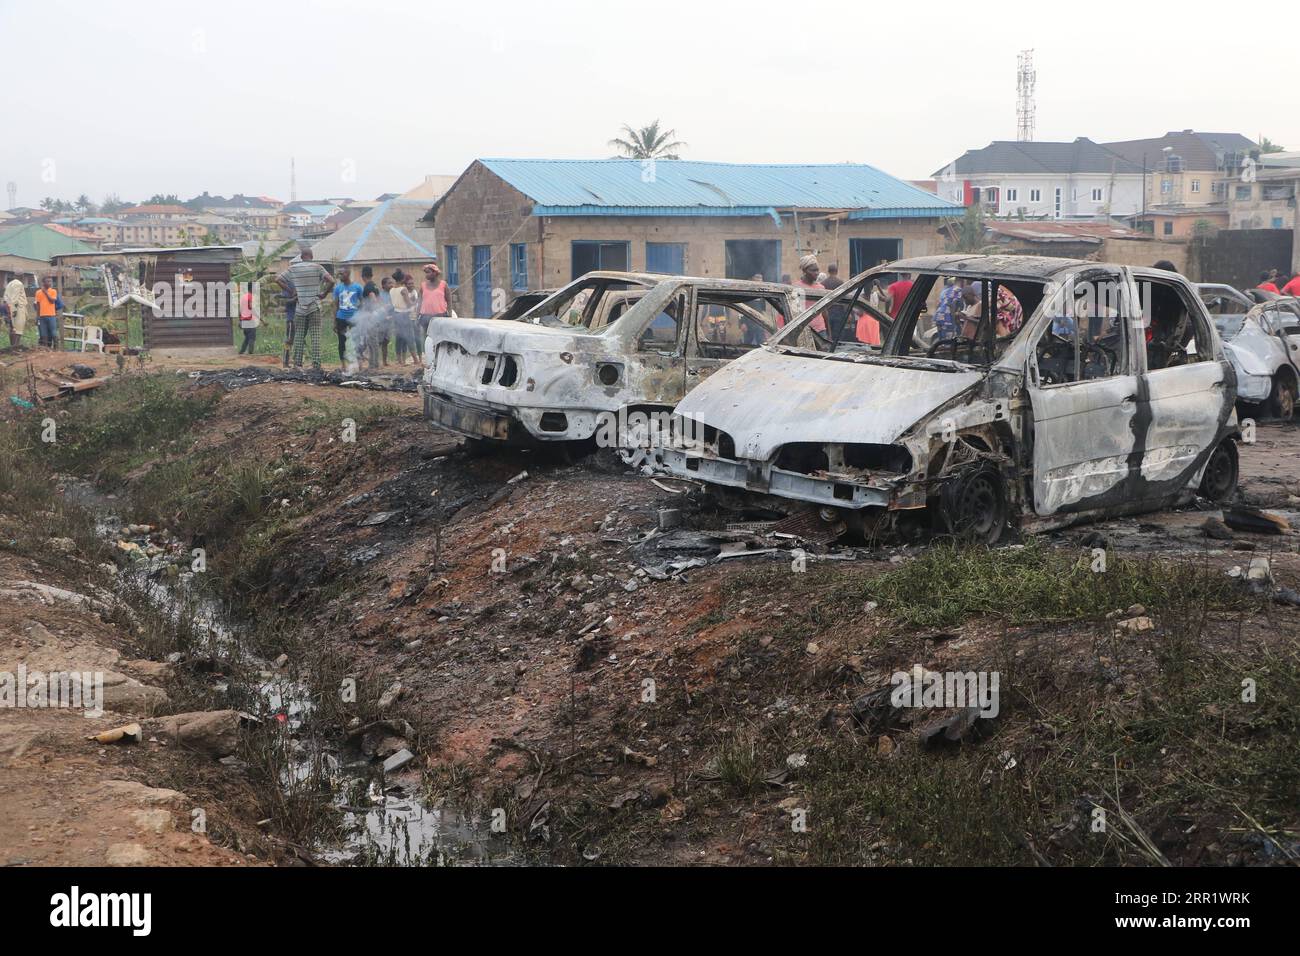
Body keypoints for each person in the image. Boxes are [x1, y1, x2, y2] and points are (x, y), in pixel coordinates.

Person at [276, 249, 335, 370]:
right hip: (315, 306)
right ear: (311, 256)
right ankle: (316, 365)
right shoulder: (318, 267)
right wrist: (324, 293)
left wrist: (290, 290)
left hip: (300, 308)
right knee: (315, 337)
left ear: (301, 257)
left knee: (299, 336)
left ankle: (297, 364)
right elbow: (332, 281)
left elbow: (278, 279)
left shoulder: (294, 268)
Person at [331, 268, 363, 369]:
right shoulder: (338, 288)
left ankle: (359, 363)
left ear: (348, 274)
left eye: (342, 273)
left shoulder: (357, 287)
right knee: (342, 341)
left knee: (356, 340)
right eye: (339, 274)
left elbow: (362, 302)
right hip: (341, 318)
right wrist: (334, 321)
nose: (340, 275)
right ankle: (343, 364)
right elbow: (335, 304)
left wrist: (360, 314)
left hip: (354, 318)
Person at [417, 262, 450, 342]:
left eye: (428, 272)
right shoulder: (423, 285)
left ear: (435, 273)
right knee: (428, 338)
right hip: (425, 316)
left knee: (441, 337)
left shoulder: (443, 285)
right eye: (425, 273)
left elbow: (449, 299)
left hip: (440, 315)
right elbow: (420, 301)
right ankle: (428, 353)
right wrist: (417, 314)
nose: (426, 275)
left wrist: (450, 313)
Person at [371, 276, 395, 367]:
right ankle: (375, 361)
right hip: (381, 321)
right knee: (379, 342)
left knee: (386, 341)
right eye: (389, 283)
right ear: (383, 285)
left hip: (389, 322)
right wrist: (385, 316)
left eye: (392, 283)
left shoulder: (393, 295)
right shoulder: (380, 295)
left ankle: (384, 361)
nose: (391, 285)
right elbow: (378, 307)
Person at [34, 276, 63, 349]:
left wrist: (46, 292)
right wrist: (37, 316)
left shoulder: (53, 291)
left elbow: (52, 301)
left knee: (53, 333)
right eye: (48, 281)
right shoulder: (38, 292)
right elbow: (38, 305)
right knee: (44, 334)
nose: (50, 283)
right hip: (42, 316)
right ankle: (46, 349)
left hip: (51, 315)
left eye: (50, 281)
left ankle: (56, 349)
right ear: (43, 283)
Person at [4, 278, 29, 349]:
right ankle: (16, 347)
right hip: (18, 308)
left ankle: (12, 347)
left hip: (9, 307)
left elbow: (6, 297)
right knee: (18, 329)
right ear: (22, 276)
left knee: (12, 328)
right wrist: (14, 310)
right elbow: (14, 298)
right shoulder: (19, 284)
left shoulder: (9, 284)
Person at [237, 285, 259, 355]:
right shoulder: (251, 297)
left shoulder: (243, 297)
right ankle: (251, 353)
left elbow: (240, 310)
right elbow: (251, 308)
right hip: (249, 320)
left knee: (247, 337)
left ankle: (241, 351)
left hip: (244, 320)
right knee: (252, 337)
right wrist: (261, 319)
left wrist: (240, 320)